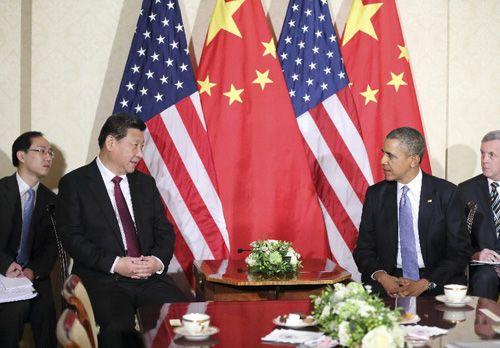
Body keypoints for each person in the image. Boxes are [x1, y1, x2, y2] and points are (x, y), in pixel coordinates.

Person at [57, 113, 186, 346]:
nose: (140, 154)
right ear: (110, 143)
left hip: (149, 279)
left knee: (186, 316)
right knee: (119, 331)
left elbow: (164, 231)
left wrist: (156, 261)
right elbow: (72, 238)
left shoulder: (145, 183)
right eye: (135, 145)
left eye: (142, 146)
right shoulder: (75, 183)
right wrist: (117, 263)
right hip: (105, 280)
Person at [354, 127, 472, 298]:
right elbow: (363, 249)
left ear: (413, 160)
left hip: (435, 280)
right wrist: (382, 276)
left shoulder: (446, 193)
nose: (383, 161)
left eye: (390, 156)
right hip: (388, 280)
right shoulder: (376, 194)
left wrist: (425, 283)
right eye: (383, 153)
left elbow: (459, 251)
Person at [0, 131, 57, 347]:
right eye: (41, 151)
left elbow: (51, 247)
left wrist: (34, 270)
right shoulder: (1, 190)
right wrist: (5, 265)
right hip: (1, 274)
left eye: (50, 153)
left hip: (32, 276)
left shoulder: (52, 201)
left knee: (46, 313)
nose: (48, 157)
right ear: (21, 156)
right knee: (14, 312)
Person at [458, 130, 500, 300]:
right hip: (482, 267)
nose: (484, 160)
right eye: (482, 153)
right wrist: (475, 255)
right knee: (484, 278)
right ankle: (481, 326)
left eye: (492, 155)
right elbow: (456, 237)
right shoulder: (465, 190)